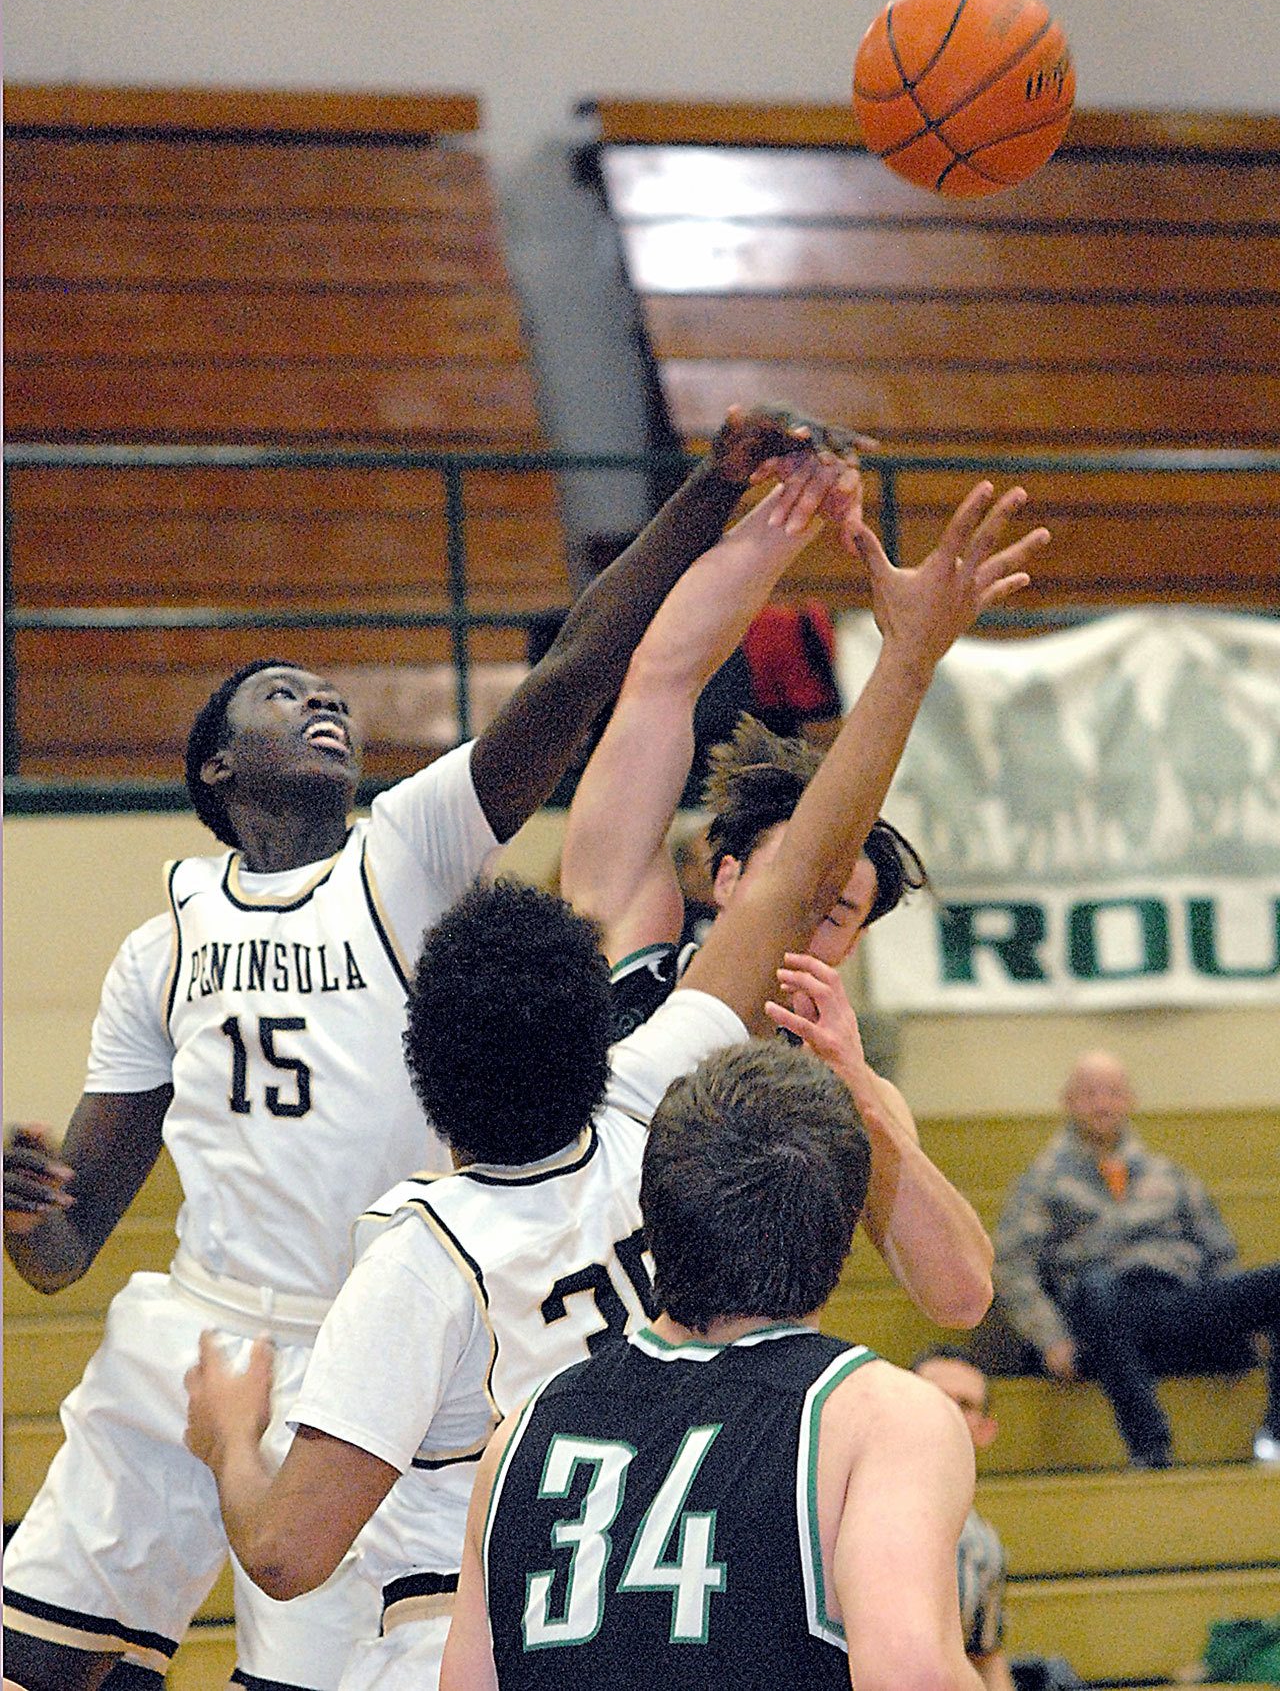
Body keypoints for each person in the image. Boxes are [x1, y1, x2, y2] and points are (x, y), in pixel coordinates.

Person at [1, 403, 839, 1691]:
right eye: (284, 694)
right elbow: (64, 1255)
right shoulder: (155, 946)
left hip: (372, 1346)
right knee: (38, 1661)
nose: (321, 698)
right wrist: (23, 1212)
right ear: (218, 767)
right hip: (198, 1330)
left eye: (329, 689)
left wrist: (698, 495)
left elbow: (567, 680)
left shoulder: (404, 852)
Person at [182, 476, 1045, 1690]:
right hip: (686, 1553)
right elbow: (757, 817)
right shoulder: (652, 1069)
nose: (820, 920)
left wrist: (227, 1436)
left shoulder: (433, 1244)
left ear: (428, 1063)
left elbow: (283, 1548)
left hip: (481, 1602)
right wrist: (903, 654)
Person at [561, 468, 993, 1331]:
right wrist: (777, 526)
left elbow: (961, 1298)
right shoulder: (635, 962)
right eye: (792, 881)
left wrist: (859, 1090)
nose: (804, 909)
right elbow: (658, 686)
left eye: (838, 914)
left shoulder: (848, 1083)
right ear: (723, 881)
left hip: (734, 1419)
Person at [440, 1039, 984, 1691]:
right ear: (846, 1227)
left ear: (651, 1209)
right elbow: (912, 1675)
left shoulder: (520, 1434)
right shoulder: (878, 1415)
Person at [992, 1048, 1280, 1469]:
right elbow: (1013, 1265)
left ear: (1130, 1100)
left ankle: (1274, 1436)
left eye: (1112, 1092)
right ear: (1068, 1102)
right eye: (1089, 1093)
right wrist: (1051, 1336)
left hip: (1180, 1308)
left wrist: (1239, 1322)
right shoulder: (1041, 1183)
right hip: (1100, 1322)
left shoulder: (1170, 1175)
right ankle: (1150, 1446)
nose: (1102, 1103)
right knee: (1095, 1286)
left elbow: (1218, 1251)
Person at [913, 1347, 1017, 1691]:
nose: (947, 1413)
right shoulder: (841, 1508)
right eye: (932, 1397)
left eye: (964, 1405)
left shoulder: (983, 1546)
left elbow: (985, 1657)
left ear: (986, 1431)